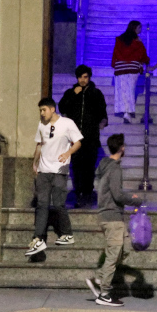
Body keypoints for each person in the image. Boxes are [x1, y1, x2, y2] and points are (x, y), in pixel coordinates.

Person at [86, 133, 143, 307]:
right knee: (113, 254)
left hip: (109, 216)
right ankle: (104, 293)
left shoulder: (105, 165)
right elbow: (117, 195)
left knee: (124, 248)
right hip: (112, 217)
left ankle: (100, 278)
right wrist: (135, 200)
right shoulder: (115, 168)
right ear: (122, 148)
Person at [26, 97, 83, 256]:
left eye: (44, 110)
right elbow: (39, 144)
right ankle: (38, 238)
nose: (42, 113)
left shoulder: (67, 123)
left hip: (59, 170)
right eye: (40, 111)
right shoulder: (41, 125)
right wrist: (35, 162)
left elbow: (78, 142)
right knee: (42, 204)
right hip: (44, 171)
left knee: (58, 204)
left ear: (52, 109)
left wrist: (68, 152)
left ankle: (67, 233)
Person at [58, 64, 109, 208]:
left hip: (90, 137)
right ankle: (78, 191)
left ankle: (87, 192)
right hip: (74, 139)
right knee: (77, 165)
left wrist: (101, 123)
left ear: (89, 77)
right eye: (80, 77)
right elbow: (62, 107)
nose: (82, 80)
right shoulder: (71, 93)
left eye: (85, 77)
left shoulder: (96, 93)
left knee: (89, 166)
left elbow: (102, 112)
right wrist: (74, 94)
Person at [110, 20, 149, 124]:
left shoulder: (120, 39)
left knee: (122, 91)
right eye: (139, 28)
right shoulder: (137, 41)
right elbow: (142, 55)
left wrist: (114, 64)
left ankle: (124, 111)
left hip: (120, 68)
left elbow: (115, 53)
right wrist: (146, 62)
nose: (141, 30)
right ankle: (128, 112)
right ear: (134, 28)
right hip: (132, 68)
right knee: (130, 90)